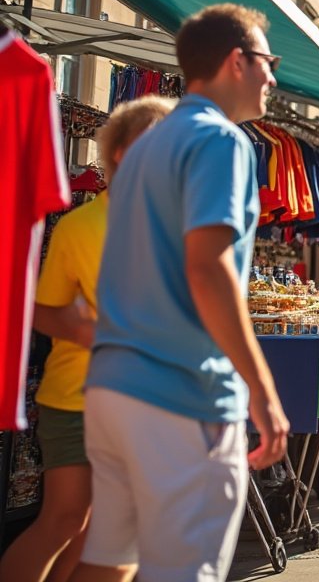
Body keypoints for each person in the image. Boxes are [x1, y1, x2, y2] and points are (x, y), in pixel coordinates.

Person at [69, 4, 289, 582]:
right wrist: (263, 393)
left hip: (114, 385)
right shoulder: (221, 140)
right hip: (181, 390)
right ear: (237, 61)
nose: (273, 76)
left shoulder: (145, 147)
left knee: (109, 562)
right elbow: (208, 270)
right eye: (268, 61)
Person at [0, 97, 173, 582]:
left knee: (102, 530)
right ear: (121, 153)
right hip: (78, 398)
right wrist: (84, 330)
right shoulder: (81, 226)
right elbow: (40, 310)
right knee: (66, 521)